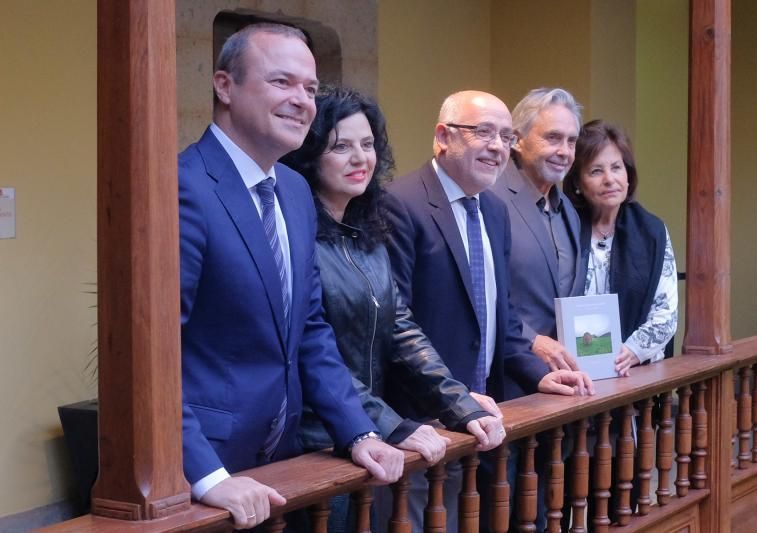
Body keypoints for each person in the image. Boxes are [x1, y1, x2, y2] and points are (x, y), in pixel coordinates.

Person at [179, 23, 404, 530]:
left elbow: (310, 329)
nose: (302, 100)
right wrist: (208, 476)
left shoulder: (295, 192)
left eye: (309, 88)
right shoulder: (183, 186)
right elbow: (150, 354)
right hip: (206, 474)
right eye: (282, 82)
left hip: (285, 467)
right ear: (224, 85)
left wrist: (359, 432)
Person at [281, 86, 506, 531]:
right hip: (312, 441)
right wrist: (393, 424)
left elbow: (402, 331)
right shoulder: (297, 232)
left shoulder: (366, 232)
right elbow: (314, 350)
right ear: (311, 155)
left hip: (363, 441)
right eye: (340, 146)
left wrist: (462, 406)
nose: (359, 158)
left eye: (367, 145)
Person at [383, 90, 594, 530]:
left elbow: (503, 319)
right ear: (443, 137)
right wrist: (452, 402)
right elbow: (392, 326)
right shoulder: (399, 204)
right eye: (483, 132)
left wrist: (538, 373)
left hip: (485, 424)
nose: (497, 146)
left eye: (505, 135)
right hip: (422, 426)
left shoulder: (493, 211)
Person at [563, 119, 678, 373]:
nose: (609, 179)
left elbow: (665, 313)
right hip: (571, 372)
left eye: (616, 168)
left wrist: (630, 352)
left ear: (628, 176)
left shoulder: (652, 232)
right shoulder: (562, 226)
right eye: (596, 171)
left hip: (633, 374)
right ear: (578, 183)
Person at [490, 87, 587, 377]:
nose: (564, 152)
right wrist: (531, 339)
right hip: (508, 378)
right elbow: (482, 296)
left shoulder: (568, 209)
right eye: (553, 138)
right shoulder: (490, 200)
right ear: (517, 141)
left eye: (571, 141)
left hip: (562, 379)